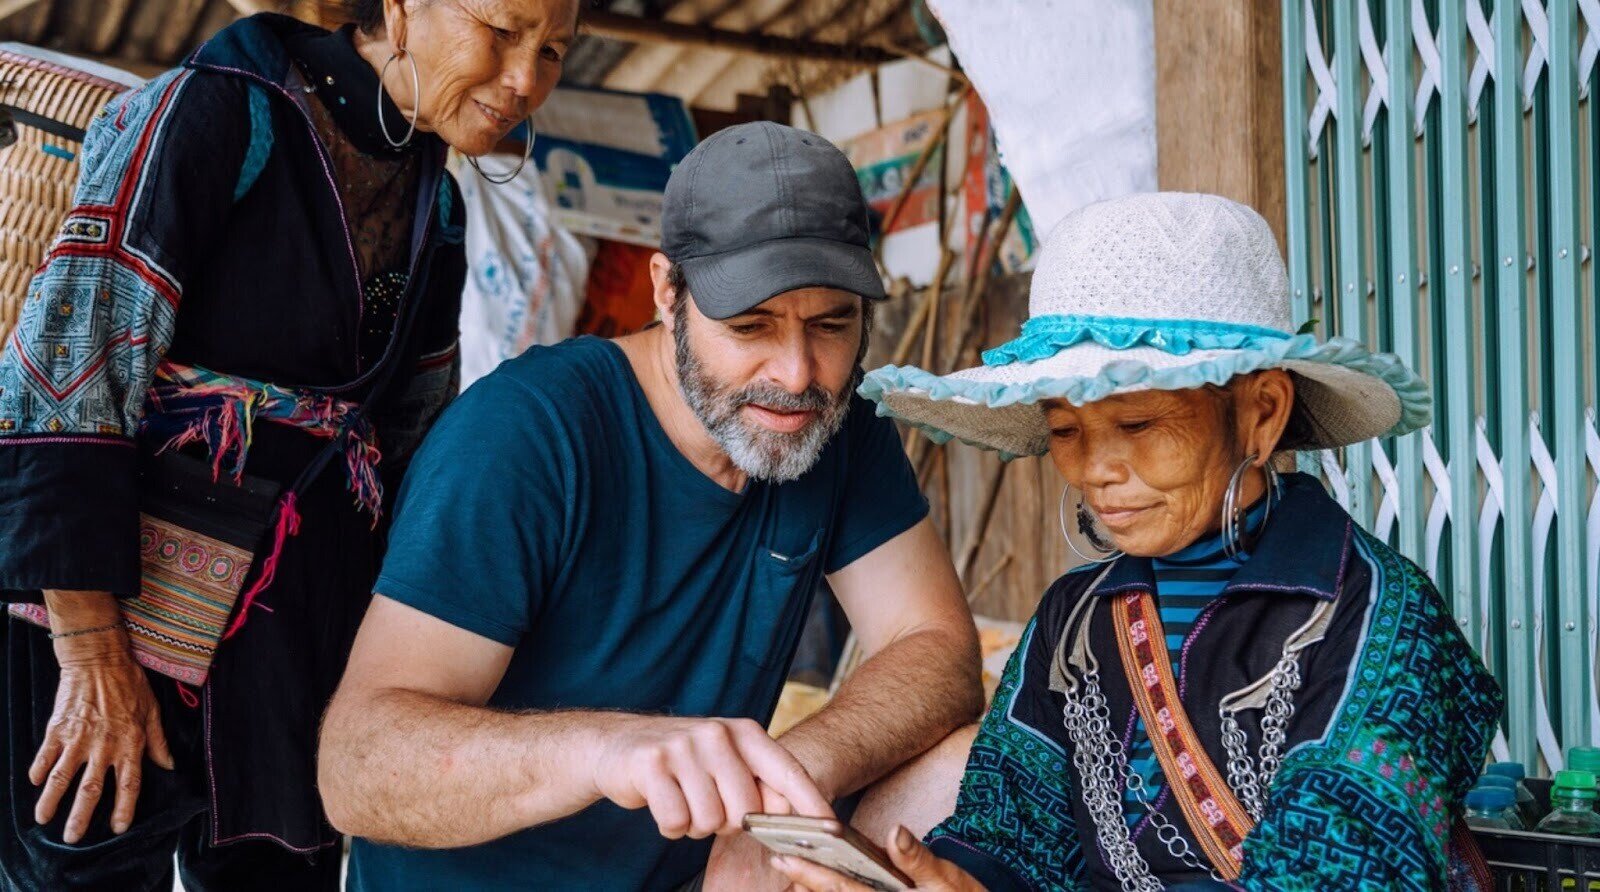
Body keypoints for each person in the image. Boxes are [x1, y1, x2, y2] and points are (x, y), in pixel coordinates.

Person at [316, 120, 984, 891]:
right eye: (750, 326)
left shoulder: (832, 426)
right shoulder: (524, 435)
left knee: (962, 765)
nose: (798, 373)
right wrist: (605, 752)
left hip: (691, 881)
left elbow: (936, 646)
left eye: (833, 324)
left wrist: (786, 785)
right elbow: (355, 768)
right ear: (668, 293)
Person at [0, 1, 578, 889]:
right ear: (397, 8)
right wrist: (91, 655)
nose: (525, 80)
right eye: (503, 32)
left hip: (293, 625)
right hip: (112, 609)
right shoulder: (221, 111)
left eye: (552, 51)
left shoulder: (440, 207)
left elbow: (412, 444)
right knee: (88, 866)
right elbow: (65, 370)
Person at [776, 192, 1503, 890]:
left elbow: (1340, 870)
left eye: (1138, 425)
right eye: (1065, 430)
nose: (1094, 470)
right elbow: (1014, 836)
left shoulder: (1377, 615)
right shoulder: (1075, 620)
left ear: (1262, 414)